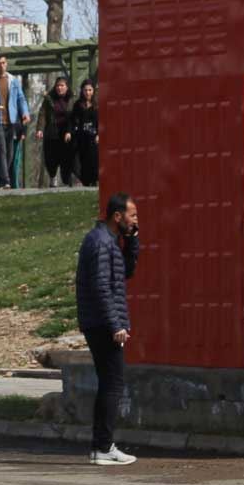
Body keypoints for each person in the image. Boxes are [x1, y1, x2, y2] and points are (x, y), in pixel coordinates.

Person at [76, 193, 141, 466]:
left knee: (109, 382)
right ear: (118, 216)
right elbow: (102, 287)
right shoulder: (101, 242)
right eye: (133, 215)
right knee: (113, 384)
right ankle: (103, 447)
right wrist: (116, 325)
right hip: (103, 323)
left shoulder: (109, 241)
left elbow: (124, 272)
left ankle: (100, 446)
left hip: (101, 321)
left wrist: (133, 241)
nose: (136, 220)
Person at [0, 54, 29, 189]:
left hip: (11, 120)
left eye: (3, 63)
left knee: (10, 151)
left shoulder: (13, 81)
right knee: (2, 149)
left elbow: (21, 99)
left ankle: (0, 175)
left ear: (6, 64)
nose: (1, 66)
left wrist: (25, 112)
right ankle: (6, 181)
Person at [37, 77, 77, 187]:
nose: (59, 88)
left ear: (67, 87)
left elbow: (74, 116)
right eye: (57, 86)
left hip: (66, 133)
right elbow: (42, 113)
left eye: (62, 85)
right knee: (50, 158)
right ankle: (53, 177)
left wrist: (70, 130)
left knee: (66, 158)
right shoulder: (49, 98)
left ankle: (66, 180)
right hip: (52, 132)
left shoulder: (72, 99)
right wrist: (40, 129)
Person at [72, 80, 101, 187]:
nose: (88, 92)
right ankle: (85, 181)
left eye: (90, 90)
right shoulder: (78, 105)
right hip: (81, 137)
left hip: (94, 138)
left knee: (94, 160)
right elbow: (74, 120)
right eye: (85, 90)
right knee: (82, 161)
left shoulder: (97, 105)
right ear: (82, 91)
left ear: (93, 91)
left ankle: (95, 180)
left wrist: (99, 134)